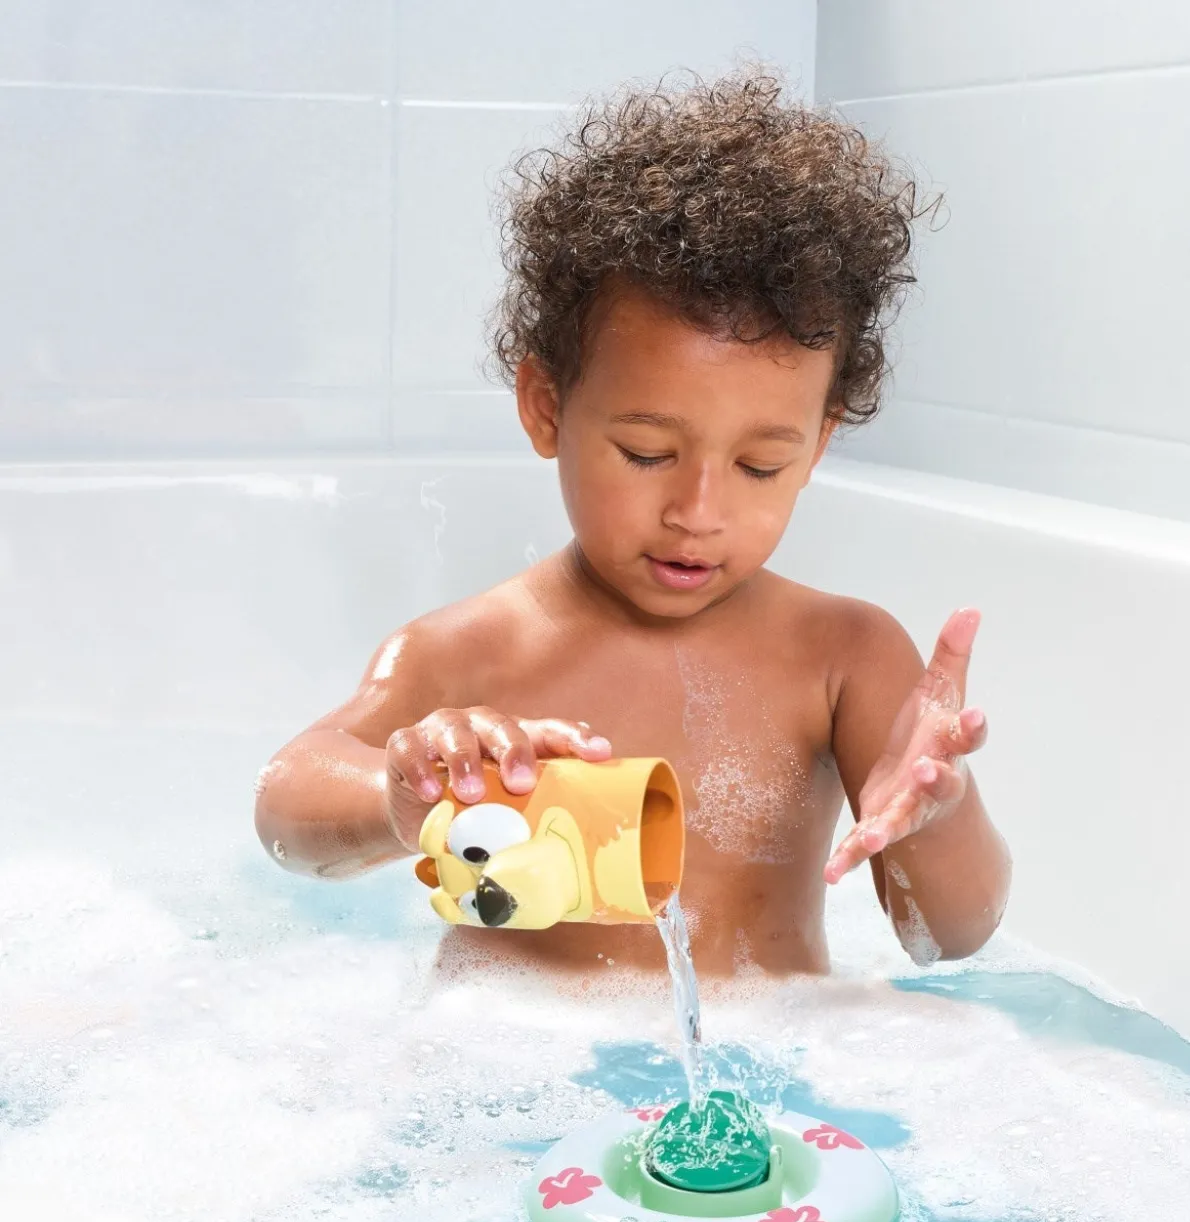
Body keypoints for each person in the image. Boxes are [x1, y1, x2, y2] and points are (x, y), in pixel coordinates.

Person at [254, 71, 1011, 977]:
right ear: (546, 407)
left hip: (770, 1046)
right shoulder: (466, 654)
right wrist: (396, 794)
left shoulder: (843, 656)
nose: (698, 512)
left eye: (760, 466)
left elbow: (950, 936)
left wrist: (939, 813)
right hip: (512, 1044)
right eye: (648, 453)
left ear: (816, 446)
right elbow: (285, 806)